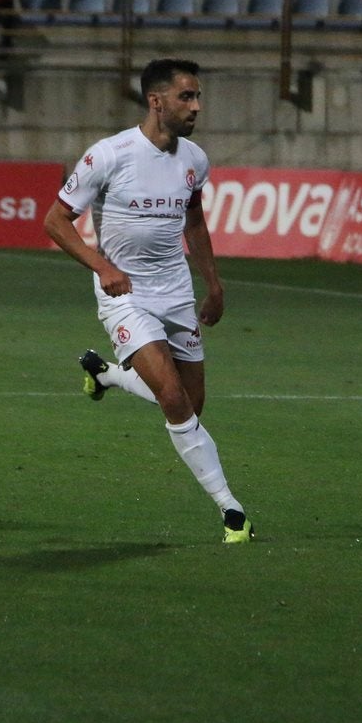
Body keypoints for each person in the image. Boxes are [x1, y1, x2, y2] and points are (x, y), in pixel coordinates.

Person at [42, 58, 252, 545]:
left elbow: (194, 222)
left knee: (190, 405)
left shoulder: (195, 160)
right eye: (187, 97)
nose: (197, 106)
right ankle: (233, 512)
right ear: (156, 102)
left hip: (176, 291)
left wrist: (214, 284)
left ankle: (107, 374)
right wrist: (104, 268)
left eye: (198, 97)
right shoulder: (109, 155)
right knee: (175, 402)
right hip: (125, 294)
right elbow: (55, 220)